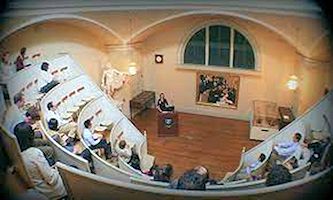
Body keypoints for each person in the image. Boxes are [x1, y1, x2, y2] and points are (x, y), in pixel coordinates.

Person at [13, 122, 67, 199]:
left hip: (40, 189)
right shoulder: (34, 154)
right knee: (72, 168)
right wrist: (57, 170)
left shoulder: (17, 154)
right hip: (52, 191)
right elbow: (52, 180)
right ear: (31, 135)